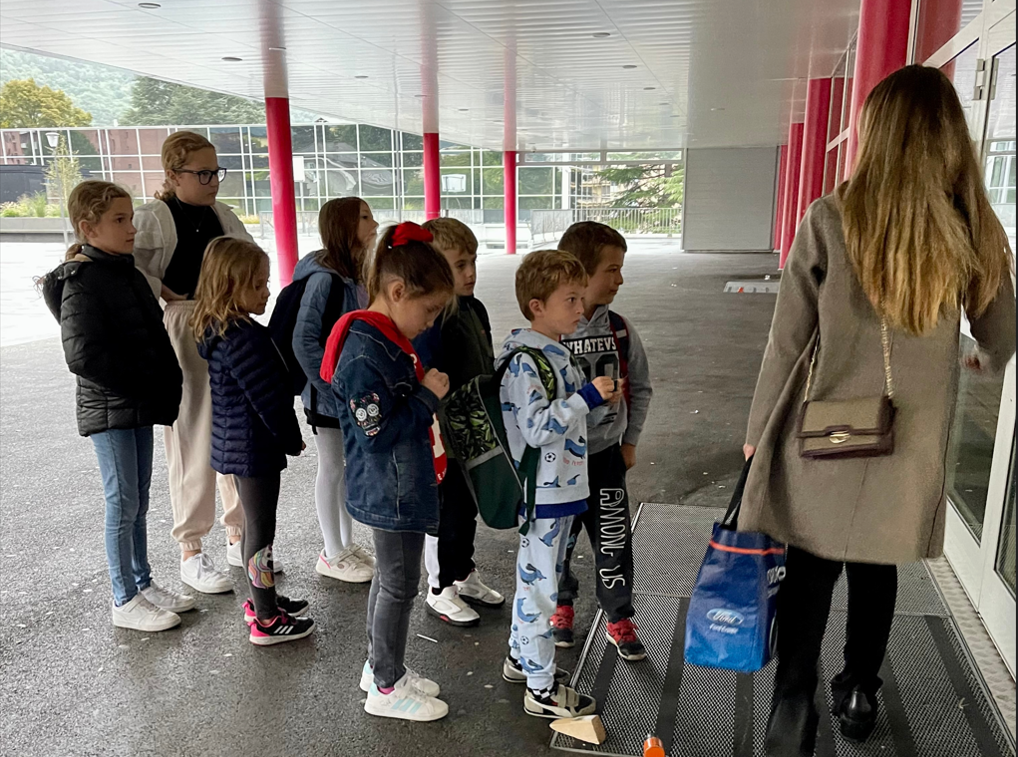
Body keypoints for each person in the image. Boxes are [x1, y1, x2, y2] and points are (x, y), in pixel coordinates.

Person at [741, 65, 1016, 756]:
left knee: (810, 559)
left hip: (827, 426)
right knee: (876, 563)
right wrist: (983, 360)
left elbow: (787, 340)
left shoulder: (830, 217)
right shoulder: (972, 227)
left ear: (877, 134)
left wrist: (758, 432)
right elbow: (1002, 331)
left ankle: (793, 702)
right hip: (909, 435)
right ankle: (860, 688)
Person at [41, 180, 192, 632]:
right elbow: (82, 356)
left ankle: (142, 583)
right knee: (122, 502)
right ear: (88, 227)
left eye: (130, 218)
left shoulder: (125, 271)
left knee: (137, 500)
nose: (132, 229)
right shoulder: (82, 280)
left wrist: (159, 384)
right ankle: (123, 597)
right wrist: (140, 384)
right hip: (113, 409)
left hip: (136, 404)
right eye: (119, 220)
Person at [321, 222, 454, 722]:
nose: (430, 321)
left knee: (391, 580)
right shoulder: (365, 350)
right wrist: (426, 396)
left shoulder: (383, 337)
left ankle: (381, 667)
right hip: (389, 488)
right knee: (399, 586)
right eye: (429, 309)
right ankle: (386, 685)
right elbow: (376, 432)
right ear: (397, 292)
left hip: (398, 484)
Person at [133, 131, 259, 593]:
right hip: (184, 324)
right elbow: (133, 271)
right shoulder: (155, 218)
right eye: (203, 174)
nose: (213, 181)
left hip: (226, 322)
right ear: (172, 175)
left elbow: (248, 259)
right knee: (191, 436)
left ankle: (237, 532)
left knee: (235, 429)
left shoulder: (223, 216)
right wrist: (165, 291)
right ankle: (191, 548)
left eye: (216, 172)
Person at [497, 249, 619, 718]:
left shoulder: (551, 352)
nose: (580, 309)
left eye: (580, 298)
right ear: (537, 306)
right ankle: (541, 688)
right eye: (570, 299)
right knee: (541, 589)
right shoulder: (526, 362)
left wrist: (590, 399)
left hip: (560, 488)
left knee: (539, 581)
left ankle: (521, 659)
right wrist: (586, 397)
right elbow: (536, 428)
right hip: (544, 492)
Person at [192, 237, 313, 646]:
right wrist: (291, 437)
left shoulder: (222, 331)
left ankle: (263, 600)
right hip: (253, 447)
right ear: (230, 287)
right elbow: (268, 399)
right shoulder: (244, 338)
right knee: (261, 532)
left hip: (237, 443)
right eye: (257, 285)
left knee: (252, 528)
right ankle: (266, 618)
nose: (266, 291)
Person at [551, 222, 653, 662]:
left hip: (608, 456)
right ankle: (559, 603)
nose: (620, 279)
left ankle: (618, 614)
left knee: (612, 539)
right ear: (579, 272)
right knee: (558, 540)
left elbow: (641, 387)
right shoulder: (551, 333)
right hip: (560, 463)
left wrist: (629, 441)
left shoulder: (620, 330)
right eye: (611, 269)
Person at [414, 218, 505, 628]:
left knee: (468, 507)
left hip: (474, 430)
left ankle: (463, 573)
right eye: (459, 265)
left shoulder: (474, 308)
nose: (470, 273)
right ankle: (439, 587)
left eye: (473, 262)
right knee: (446, 512)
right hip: (442, 435)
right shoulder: (433, 318)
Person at [292, 197, 377, 583]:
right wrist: (328, 386)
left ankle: (344, 544)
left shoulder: (354, 274)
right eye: (364, 217)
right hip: (328, 395)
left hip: (346, 392)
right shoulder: (324, 278)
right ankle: (331, 551)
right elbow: (303, 340)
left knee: (343, 468)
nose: (374, 223)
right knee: (331, 467)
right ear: (344, 225)